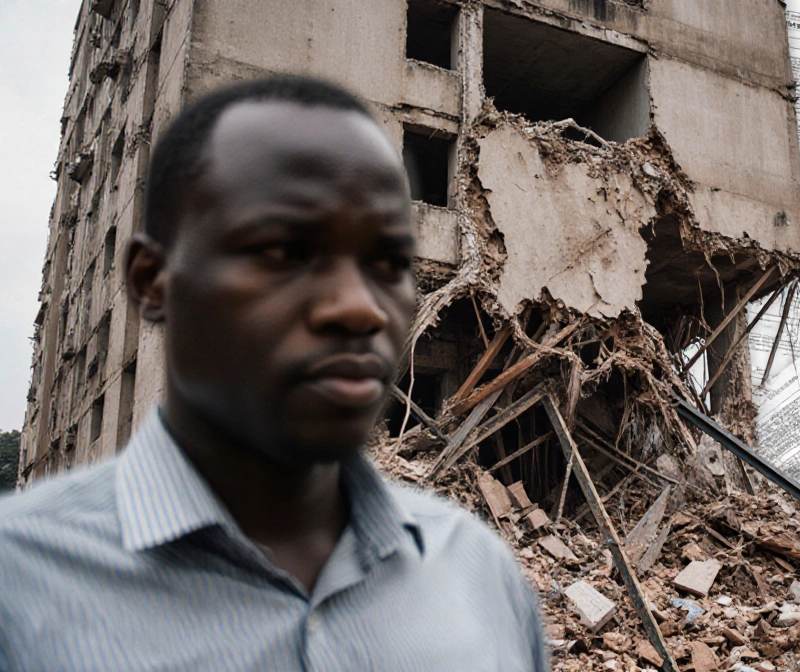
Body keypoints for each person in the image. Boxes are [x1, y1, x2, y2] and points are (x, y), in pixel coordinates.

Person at [0, 76, 547, 671]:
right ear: (152, 280)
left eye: (389, 263)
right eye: (286, 252)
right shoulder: (20, 581)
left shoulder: (479, 575)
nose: (359, 307)